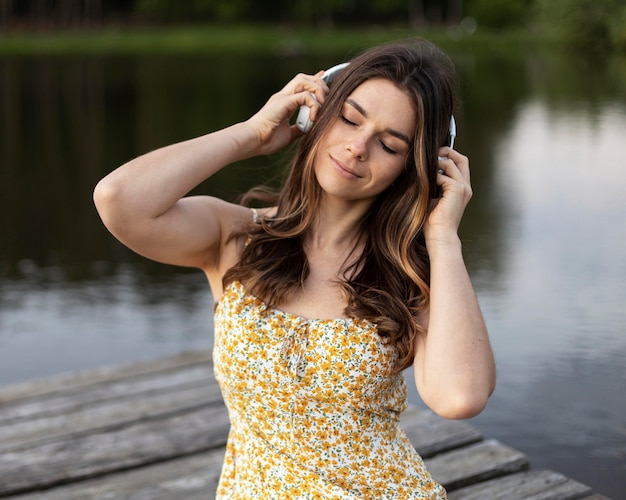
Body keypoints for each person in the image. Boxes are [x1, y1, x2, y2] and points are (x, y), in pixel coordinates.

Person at [94, 38, 496, 499]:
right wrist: (250, 135)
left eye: (389, 144)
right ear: (314, 114)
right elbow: (118, 201)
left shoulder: (411, 273)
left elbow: (459, 396)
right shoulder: (237, 237)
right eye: (349, 118)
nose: (358, 147)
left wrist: (443, 237)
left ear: (412, 169)